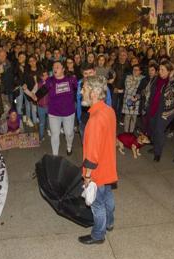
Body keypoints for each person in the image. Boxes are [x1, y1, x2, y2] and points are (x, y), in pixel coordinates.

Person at [78, 75, 117, 245]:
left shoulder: (94, 119)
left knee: (97, 205)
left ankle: (98, 235)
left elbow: (92, 155)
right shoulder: (109, 110)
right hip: (108, 167)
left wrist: (87, 176)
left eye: (84, 89)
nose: (81, 92)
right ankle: (109, 223)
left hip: (98, 171)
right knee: (107, 197)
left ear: (93, 93)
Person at [147, 60, 174, 162]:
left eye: (163, 70)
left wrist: (170, 78)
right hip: (154, 107)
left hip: (166, 110)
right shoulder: (156, 79)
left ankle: (158, 153)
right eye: (159, 69)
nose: (160, 72)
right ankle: (155, 146)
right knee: (153, 128)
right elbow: (150, 91)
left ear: (169, 71)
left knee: (159, 130)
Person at [45, 61, 78, 156]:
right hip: (54, 112)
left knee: (69, 133)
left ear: (63, 69)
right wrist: (30, 93)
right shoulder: (49, 80)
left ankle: (69, 146)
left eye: (57, 67)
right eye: (53, 67)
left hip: (68, 112)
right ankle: (55, 156)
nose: (55, 68)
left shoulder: (71, 79)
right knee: (55, 134)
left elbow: (80, 88)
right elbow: (40, 92)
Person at [122, 64, 144, 133]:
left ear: (140, 71)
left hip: (137, 100)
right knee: (127, 117)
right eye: (134, 69)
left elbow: (142, 90)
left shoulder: (143, 78)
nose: (134, 71)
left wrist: (135, 84)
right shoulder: (128, 77)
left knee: (134, 118)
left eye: (137, 70)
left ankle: (131, 133)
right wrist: (137, 84)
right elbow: (128, 89)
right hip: (128, 99)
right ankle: (126, 133)